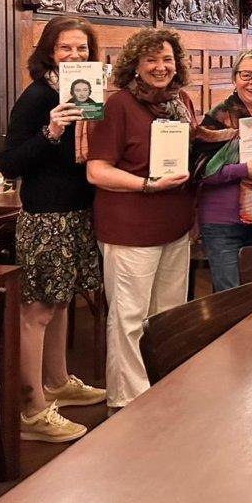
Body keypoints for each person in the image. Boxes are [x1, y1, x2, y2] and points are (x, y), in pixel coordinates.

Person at [0, 16, 106, 442]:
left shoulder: (89, 95)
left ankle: (58, 382)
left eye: (82, 49)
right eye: (66, 48)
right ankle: (31, 410)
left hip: (78, 212)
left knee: (61, 304)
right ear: (49, 51)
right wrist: (52, 130)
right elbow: (9, 164)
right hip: (46, 217)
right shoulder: (38, 96)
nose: (75, 56)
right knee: (39, 310)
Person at [86, 28, 197, 412]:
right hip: (130, 228)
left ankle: (163, 390)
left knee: (166, 316)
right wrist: (147, 184)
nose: (160, 67)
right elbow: (97, 171)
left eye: (166, 59)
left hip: (175, 225)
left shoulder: (181, 101)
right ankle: (129, 401)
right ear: (135, 65)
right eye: (151, 60)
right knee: (129, 318)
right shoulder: (116, 106)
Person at [191, 49, 252, 293]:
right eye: (246, 75)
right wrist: (245, 169)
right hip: (221, 221)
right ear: (235, 78)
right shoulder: (217, 117)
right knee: (231, 294)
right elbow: (200, 170)